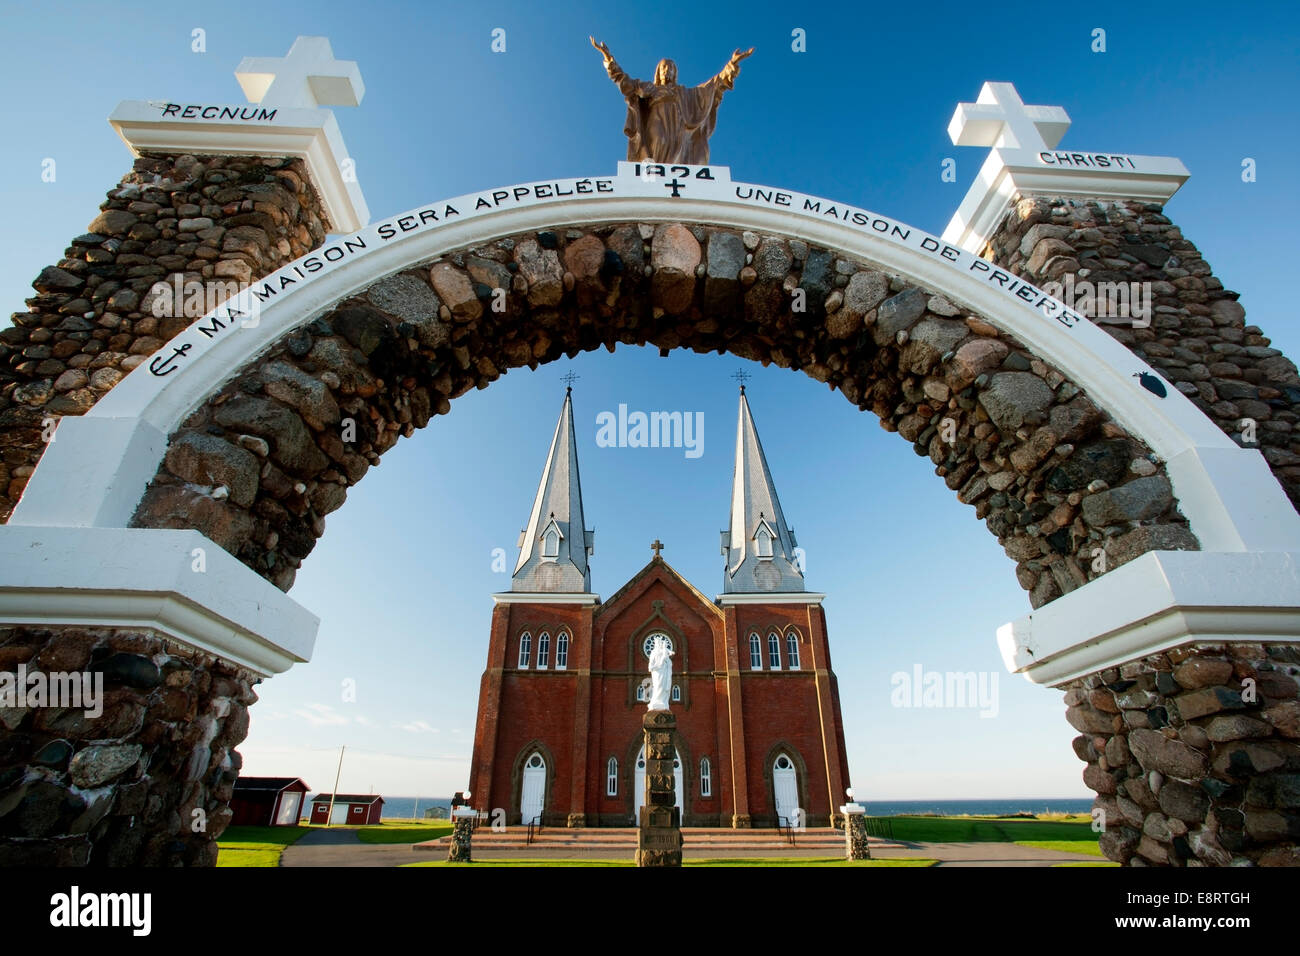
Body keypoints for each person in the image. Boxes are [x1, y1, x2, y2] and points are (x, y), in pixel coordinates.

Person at [591, 38, 753, 164]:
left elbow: (714, 85)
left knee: (677, 147)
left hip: (677, 122)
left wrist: (731, 65)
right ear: (658, 72)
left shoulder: (683, 92)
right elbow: (624, 82)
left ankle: (672, 183)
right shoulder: (648, 88)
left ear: (675, 73)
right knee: (659, 141)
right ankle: (654, 180)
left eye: (671, 68)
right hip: (657, 119)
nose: (667, 70)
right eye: (664, 67)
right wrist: (608, 59)